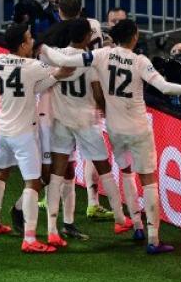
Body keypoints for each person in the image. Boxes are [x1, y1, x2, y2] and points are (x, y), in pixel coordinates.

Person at [40, 18, 181, 254]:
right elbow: (165, 87)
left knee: (126, 173)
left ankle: (135, 225)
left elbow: (63, 60)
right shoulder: (140, 61)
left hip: (114, 129)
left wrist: (41, 48)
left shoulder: (102, 54)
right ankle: (153, 239)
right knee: (148, 180)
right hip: (137, 129)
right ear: (134, 36)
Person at [44, 18, 135, 244]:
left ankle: (53, 229)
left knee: (58, 174)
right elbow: (97, 93)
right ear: (86, 37)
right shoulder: (90, 60)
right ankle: (121, 219)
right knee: (105, 169)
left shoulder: (56, 56)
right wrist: (106, 111)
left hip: (61, 123)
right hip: (86, 122)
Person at [0, 23, 74, 252]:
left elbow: (33, 88)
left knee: (1, 171)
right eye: (29, 38)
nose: (33, 40)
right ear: (23, 44)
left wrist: (56, 77)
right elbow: (60, 66)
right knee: (33, 183)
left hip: (3, 128)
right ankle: (30, 238)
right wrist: (60, 71)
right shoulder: (32, 65)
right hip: (24, 132)